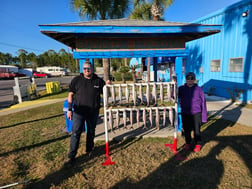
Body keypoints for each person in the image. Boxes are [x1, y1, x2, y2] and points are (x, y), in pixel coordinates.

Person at [66, 61, 110, 163]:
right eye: (85, 68)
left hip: (93, 112)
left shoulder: (98, 81)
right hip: (78, 112)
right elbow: (70, 95)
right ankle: (71, 155)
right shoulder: (76, 80)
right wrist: (69, 109)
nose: (86, 70)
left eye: (88, 68)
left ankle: (89, 150)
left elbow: (107, 93)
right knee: (76, 132)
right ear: (82, 69)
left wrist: (108, 86)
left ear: (92, 69)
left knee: (91, 131)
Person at [178, 72, 207, 152]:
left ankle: (198, 143)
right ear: (186, 80)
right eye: (188, 79)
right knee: (186, 129)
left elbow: (203, 102)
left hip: (196, 113)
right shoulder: (181, 89)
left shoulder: (199, 89)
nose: (189, 81)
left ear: (194, 80)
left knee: (196, 129)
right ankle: (188, 143)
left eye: (191, 79)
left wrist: (204, 117)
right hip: (185, 112)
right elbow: (175, 96)